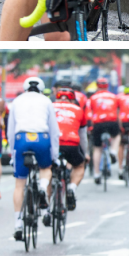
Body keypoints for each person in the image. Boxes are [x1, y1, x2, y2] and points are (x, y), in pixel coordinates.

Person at [7, 76, 60, 240]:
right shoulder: (46, 101)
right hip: (42, 138)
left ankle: (17, 224)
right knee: (45, 169)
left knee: (19, 184)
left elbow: (10, 129)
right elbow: (54, 130)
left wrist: (11, 152)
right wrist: (55, 155)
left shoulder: (16, 101)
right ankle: (43, 189)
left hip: (20, 139)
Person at [52, 83, 87, 211]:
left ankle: (46, 205)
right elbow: (83, 136)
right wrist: (85, 153)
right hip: (71, 144)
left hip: (54, 144)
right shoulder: (78, 109)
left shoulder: (50, 106)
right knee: (79, 165)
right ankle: (72, 187)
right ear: (72, 99)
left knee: (47, 169)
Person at [87, 76, 121, 185]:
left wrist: (90, 128)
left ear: (97, 86)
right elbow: (118, 113)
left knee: (97, 149)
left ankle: (97, 174)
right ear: (107, 86)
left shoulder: (92, 98)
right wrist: (120, 126)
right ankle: (113, 150)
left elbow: (89, 114)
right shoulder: (114, 97)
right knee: (117, 136)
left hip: (98, 123)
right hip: (111, 122)